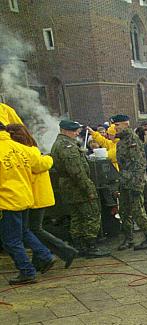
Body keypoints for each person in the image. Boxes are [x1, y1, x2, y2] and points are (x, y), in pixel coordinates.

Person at [6, 124, 78, 268]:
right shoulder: (32, 150)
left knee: (33, 229)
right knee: (32, 229)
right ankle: (42, 259)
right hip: (38, 196)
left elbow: (39, 165)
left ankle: (63, 252)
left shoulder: (23, 152)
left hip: (34, 197)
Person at [0, 121, 56, 284]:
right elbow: (39, 164)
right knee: (24, 232)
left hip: (7, 202)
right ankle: (45, 256)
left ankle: (27, 271)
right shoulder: (22, 148)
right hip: (25, 197)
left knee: (11, 241)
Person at [50, 120, 109, 258]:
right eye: (75, 130)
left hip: (69, 186)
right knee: (90, 215)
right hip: (77, 186)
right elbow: (76, 171)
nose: (77, 133)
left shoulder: (61, 144)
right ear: (65, 130)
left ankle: (78, 246)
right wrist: (88, 188)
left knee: (77, 216)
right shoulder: (67, 146)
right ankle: (90, 247)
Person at [114, 115, 147, 251]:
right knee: (124, 211)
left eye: (117, 126)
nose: (115, 128)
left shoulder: (133, 141)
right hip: (125, 181)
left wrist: (137, 185)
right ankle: (129, 239)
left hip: (134, 182)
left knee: (138, 211)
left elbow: (140, 164)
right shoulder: (121, 142)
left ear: (126, 124)